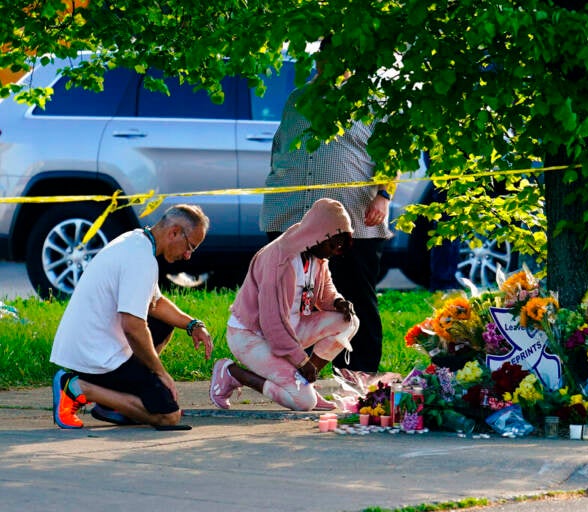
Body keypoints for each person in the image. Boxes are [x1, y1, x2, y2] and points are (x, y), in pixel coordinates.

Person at [260, 40, 392, 373]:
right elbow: (280, 147)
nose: (327, 63)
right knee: (287, 297)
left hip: (353, 218)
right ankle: (287, 369)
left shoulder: (372, 101)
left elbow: (391, 153)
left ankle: (360, 372)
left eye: (338, 57)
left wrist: (384, 195)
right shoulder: (297, 99)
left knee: (354, 297)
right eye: (324, 56)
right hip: (292, 215)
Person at [50, 204, 213, 429]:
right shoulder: (141, 260)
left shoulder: (136, 242)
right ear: (174, 232)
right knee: (168, 416)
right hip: (96, 357)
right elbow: (133, 327)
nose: (187, 255)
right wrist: (160, 373)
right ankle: (78, 388)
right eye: (190, 247)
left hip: (90, 347)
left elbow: (155, 304)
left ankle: (112, 401)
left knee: (165, 324)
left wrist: (194, 325)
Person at [211, 198, 359, 411]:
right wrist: (301, 361)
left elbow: (325, 291)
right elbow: (272, 324)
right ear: (318, 234)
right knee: (303, 402)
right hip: (252, 336)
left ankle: (304, 381)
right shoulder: (280, 260)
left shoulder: (316, 254)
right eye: (333, 245)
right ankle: (233, 373)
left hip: (289, 330)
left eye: (339, 247)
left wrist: (338, 302)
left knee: (348, 321)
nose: (334, 252)